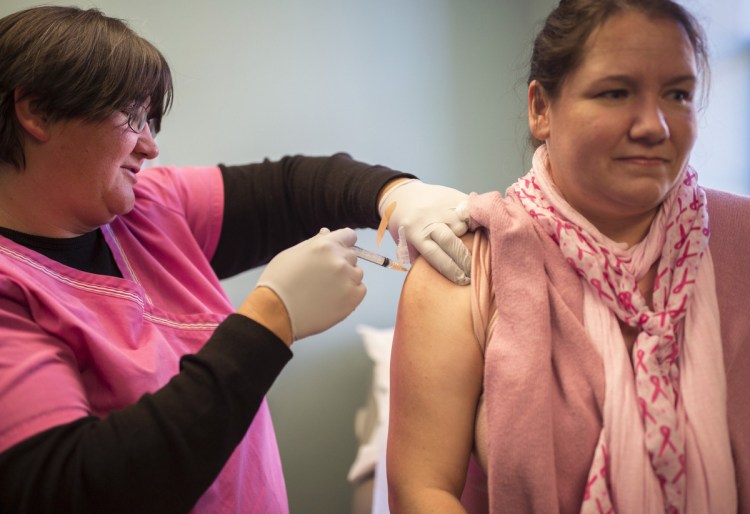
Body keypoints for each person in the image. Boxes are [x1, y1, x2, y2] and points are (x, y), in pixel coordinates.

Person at [0, 6, 475, 514]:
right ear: (37, 112)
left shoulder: (150, 209)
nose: (150, 147)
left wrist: (396, 195)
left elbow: (293, 189)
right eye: (131, 118)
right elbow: (76, 489)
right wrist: (272, 319)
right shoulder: (11, 292)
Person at [387, 0, 749, 512]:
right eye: (616, 93)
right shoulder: (467, 268)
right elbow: (421, 491)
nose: (655, 126)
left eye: (678, 94)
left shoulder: (743, 240)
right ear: (540, 108)